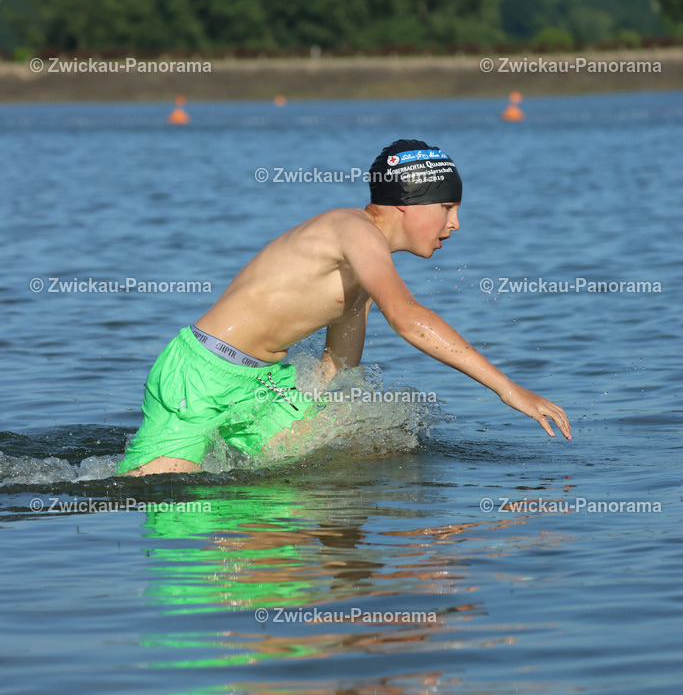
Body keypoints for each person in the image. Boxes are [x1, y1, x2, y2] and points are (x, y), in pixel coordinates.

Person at [117, 139, 571, 476]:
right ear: (408, 204)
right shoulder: (350, 228)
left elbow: (339, 364)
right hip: (201, 378)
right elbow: (407, 317)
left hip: (266, 385)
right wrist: (507, 388)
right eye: (448, 206)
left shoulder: (367, 268)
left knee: (322, 482)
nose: (456, 223)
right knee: (169, 504)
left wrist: (324, 418)